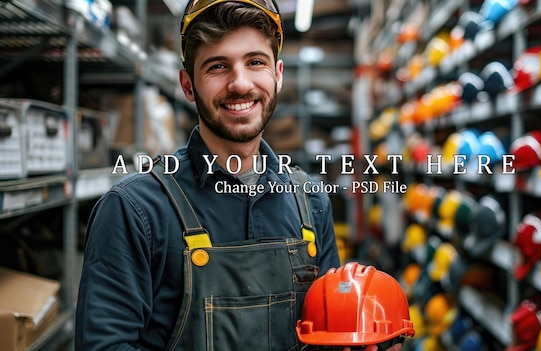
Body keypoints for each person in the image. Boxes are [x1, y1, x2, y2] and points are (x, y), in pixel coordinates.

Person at [75, 1, 344, 350]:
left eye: (255, 62)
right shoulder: (134, 209)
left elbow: (329, 334)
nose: (240, 84)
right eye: (218, 67)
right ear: (188, 85)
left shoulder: (312, 203)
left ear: (277, 75)